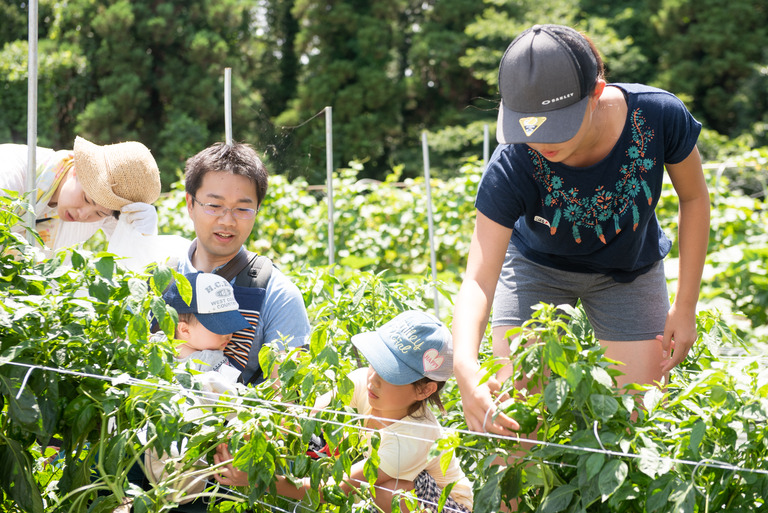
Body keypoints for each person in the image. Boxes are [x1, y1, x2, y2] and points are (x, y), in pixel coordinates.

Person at [452, 24, 711, 435]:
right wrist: (463, 362)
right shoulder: (514, 160)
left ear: (595, 93)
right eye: (528, 127)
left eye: (554, 126)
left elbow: (694, 198)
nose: (541, 143)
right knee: (518, 422)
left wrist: (685, 305)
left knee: (637, 423)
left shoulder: (658, 116)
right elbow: (479, 279)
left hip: (630, 269)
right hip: (537, 269)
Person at [214, 310, 474, 513]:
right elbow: (302, 422)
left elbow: (338, 489)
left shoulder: (413, 437)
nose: (374, 379)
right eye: (376, 364)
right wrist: (252, 437)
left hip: (448, 505)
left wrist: (258, 480)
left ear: (425, 390)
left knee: (382, 491)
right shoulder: (362, 382)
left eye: (391, 375)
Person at [177, 142, 311, 386]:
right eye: (214, 206)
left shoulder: (279, 297)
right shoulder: (164, 277)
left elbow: (285, 402)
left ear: (257, 209)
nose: (227, 220)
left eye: (242, 209)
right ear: (190, 204)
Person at [0, 136, 161, 255]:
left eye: (98, 213)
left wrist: (143, 233)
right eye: (86, 199)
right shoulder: (12, 172)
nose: (83, 214)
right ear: (77, 170)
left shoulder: (106, 211)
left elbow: (133, 261)